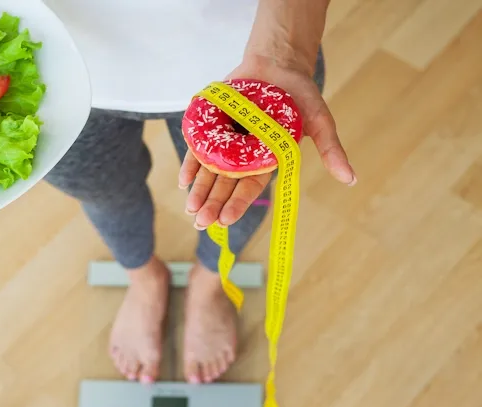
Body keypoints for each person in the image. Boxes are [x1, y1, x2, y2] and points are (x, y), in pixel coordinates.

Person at [42, 0, 357, 384]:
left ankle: (208, 284)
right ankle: (144, 280)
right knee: (95, 187)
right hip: (55, 62)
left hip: (248, 56)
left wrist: (286, 49)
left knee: (236, 201)